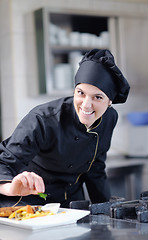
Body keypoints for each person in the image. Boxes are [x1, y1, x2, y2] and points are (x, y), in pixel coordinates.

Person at [0, 49, 130, 207]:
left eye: (98, 97)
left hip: (73, 203)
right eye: (81, 93)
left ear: (110, 101)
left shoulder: (109, 118)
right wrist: (10, 187)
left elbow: (95, 167)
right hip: (31, 202)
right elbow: (4, 162)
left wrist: (105, 210)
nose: (86, 104)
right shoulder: (43, 119)